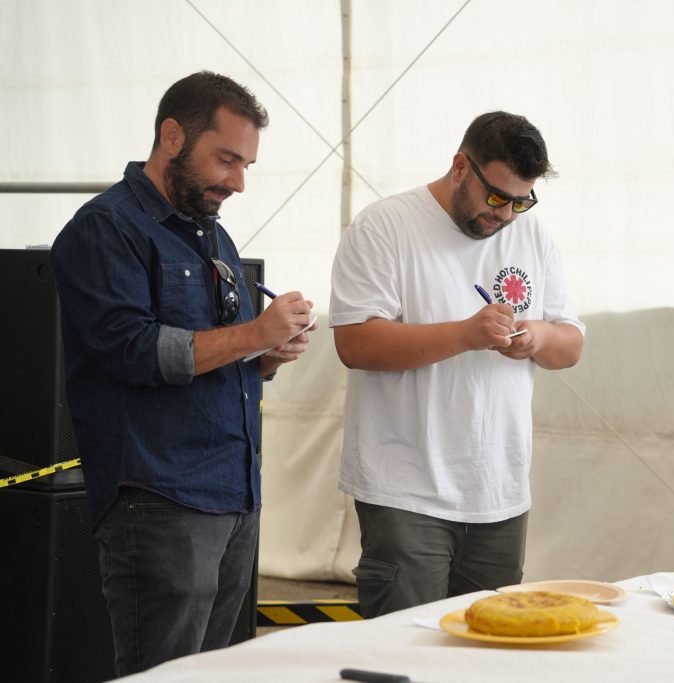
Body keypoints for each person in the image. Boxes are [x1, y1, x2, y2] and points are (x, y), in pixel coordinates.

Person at [50, 71, 316, 675]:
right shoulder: (106, 227)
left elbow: (213, 352)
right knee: (165, 673)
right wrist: (255, 334)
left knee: (209, 673)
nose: (239, 182)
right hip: (160, 497)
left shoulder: (213, 235)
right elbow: (133, 351)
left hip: (233, 493)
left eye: (246, 164)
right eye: (226, 159)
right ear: (172, 136)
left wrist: (264, 357)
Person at [329, 111, 585, 617]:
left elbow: (571, 345)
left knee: (488, 650)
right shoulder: (386, 226)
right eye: (497, 198)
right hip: (405, 492)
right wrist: (465, 334)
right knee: (406, 647)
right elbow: (355, 343)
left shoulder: (533, 236)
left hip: (499, 492)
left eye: (521, 201)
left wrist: (537, 337)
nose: (506, 215)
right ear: (461, 166)